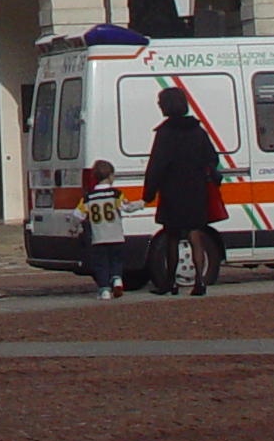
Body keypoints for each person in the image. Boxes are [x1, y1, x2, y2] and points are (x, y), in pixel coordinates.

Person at [141, 85, 223, 297]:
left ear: (167, 105)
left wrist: (148, 193)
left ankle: (170, 282)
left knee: (172, 236)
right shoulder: (198, 131)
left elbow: (157, 165)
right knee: (196, 234)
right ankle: (200, 283)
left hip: (172, 189)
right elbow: (212, 158)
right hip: (196, 188)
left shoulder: (165, 134)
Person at [78, 158, 132, 297]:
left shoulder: (89, 197)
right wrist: (140, 204)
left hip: (98, 238)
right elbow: (126, 207)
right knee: (116, 260)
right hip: (116, 236)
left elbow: (78, 214)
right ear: (110, 176)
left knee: (101, 264)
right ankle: (117, 279)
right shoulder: (116, 194)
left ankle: (104, 290)